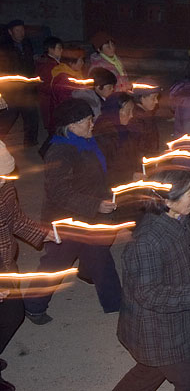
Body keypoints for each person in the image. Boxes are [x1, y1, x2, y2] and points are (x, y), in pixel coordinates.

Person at [113, 170, 190, 391]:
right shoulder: (147, 242)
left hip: (171, 322)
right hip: (157, 330)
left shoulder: (176, 219)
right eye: (189, 194)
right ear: (168, 201)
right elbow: (148, 293)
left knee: (148, 373)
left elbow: (181, 248)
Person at [23, 99, 121, 324]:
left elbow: (97, 175)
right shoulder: (59, 152)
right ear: (71, 125)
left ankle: (116, 303)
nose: (92, 125)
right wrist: (94, 205)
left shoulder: (86, 143)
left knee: (100, 257)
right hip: (64, 220)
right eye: (88, 121)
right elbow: (60, 192)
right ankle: (32, 305)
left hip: (88, 217)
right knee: (55, 264)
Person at [0, 141, 52, 391]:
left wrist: (44, 234)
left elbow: (16, 220)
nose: (4, 182)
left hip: (5, 266)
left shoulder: (5, 189)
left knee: (13, 315)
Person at [0, 19, 39, 147]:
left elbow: (30, 64)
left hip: (27, 87)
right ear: (10, 32)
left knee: (31, 115)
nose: (21, 33)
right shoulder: (5, 47)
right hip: (13, 89)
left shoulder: (27, 44)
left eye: (22, 30)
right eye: (17, 30)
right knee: (9, 116)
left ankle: (30, 142)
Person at [93, 93, 138, 187]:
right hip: (113, 187)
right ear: (115, 111)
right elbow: (106, 168)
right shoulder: (104, 134)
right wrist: (130, 176)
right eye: (128, 111)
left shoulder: (123, 130)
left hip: (126, 183)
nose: (131, 116)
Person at [36, 36, 64, 134]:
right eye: (59, 48)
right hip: (49, 100)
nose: (61, 50)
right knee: (54, 128)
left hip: (53, 99)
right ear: (50, 49)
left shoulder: (54, 63)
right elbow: (44, 85)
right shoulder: (47, 65)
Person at [130, 80, 161, 159]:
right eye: (153, 98)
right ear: (142, 98)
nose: (156, 101)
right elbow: (139, 148)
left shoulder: (145, 115)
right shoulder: (136, 120)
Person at [49, 48, 86, 112]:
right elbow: (66, 103)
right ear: (71, 63)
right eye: (80, 60)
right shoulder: (63, 80)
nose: (83, 63)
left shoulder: (76, 73)